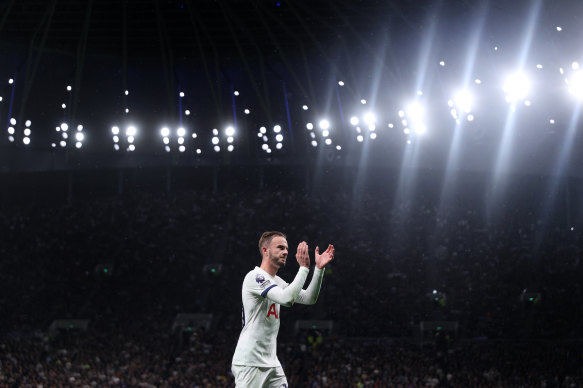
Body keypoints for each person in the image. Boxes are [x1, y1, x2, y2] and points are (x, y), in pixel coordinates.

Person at [231, 231, 335, 387]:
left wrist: (318, 269)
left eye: (286, 248)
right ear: (265, 250)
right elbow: (286, 299)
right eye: (280, 247)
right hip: (250, 361)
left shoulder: (276, 281)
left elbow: (309, 298)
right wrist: (303, 269)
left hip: (271, 362)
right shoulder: (255, 277)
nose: (286, 252)